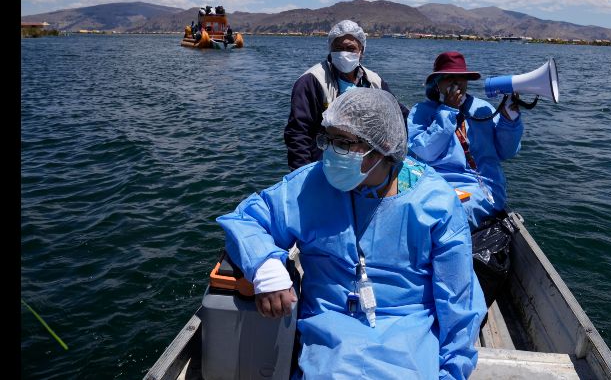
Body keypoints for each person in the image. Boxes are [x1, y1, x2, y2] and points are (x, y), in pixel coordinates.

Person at [217, 87, 486, 379]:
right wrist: (265, 266)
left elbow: (457, 300)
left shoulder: (436, 202)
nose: (330, 152)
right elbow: (247, 219)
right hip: (330, 331)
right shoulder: (310, 184)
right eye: (327, 139)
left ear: (382, 145)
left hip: (409, 330)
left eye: (344, 143)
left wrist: (451, 371)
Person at [407, 51, 524, 231]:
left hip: (480, 187)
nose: (457, 83)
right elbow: (426, 152)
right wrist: (447, 111)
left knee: (447, 214)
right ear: (436, 83)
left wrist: (509, 121)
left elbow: (506, 151)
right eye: (449, 78)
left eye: (461, 77)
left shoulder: (482, 109)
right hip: (434, 183)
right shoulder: (421, 112)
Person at [284, 19, 409, 171]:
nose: (344, 53)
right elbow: (298, 132)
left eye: (350, 48)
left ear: (361, 51)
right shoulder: (311, 81)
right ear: (330, 49)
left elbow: (397, 115)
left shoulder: (374, 81)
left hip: (365, 163)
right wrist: (301, 173)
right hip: (325, 163)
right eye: (338, 48)